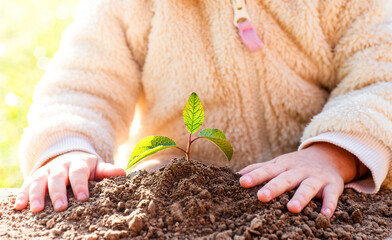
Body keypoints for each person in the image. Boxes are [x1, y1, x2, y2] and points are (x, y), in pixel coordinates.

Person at [15, 0, 392, 218]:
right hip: (180, 203)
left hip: (314, 198)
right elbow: (84, 85)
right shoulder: (126, 7)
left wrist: (334, 154)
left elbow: (381, 74)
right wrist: (68, 147)